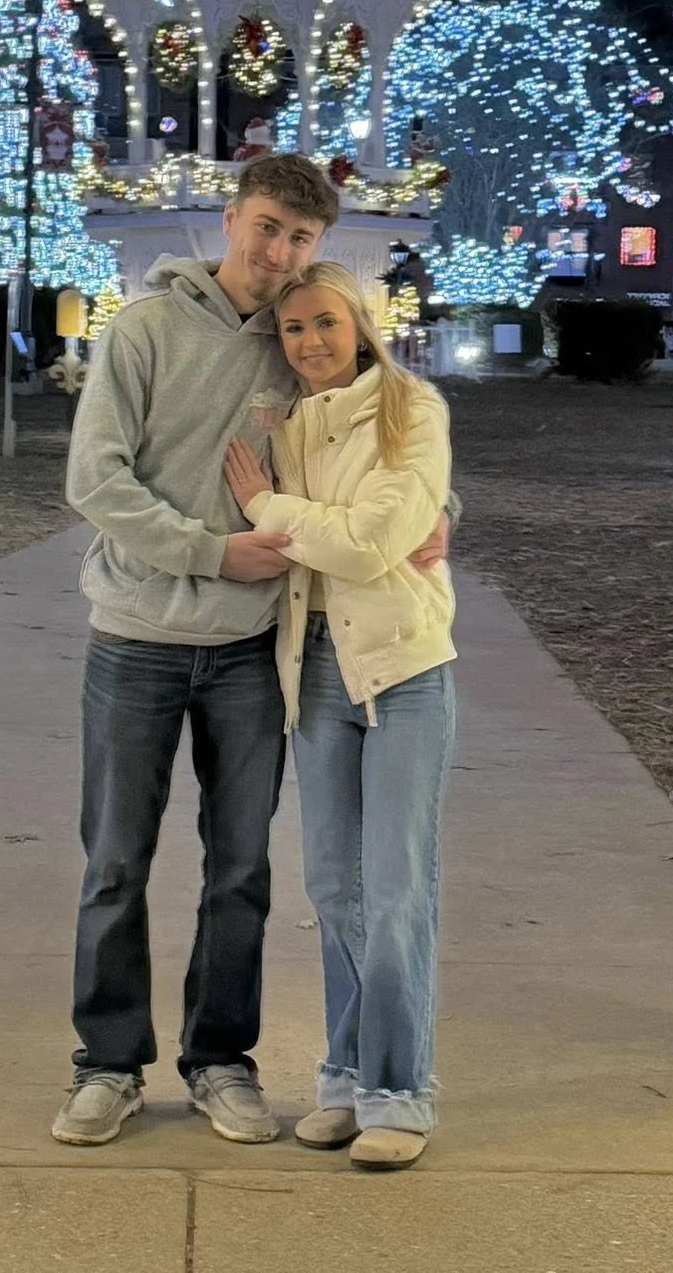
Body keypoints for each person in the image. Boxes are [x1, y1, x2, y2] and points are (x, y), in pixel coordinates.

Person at [52, 154, 338, 1148]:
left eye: (300, 237)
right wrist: (217, 550)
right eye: (266, 226)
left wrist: (440, 509)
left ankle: (222, 1059)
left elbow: (388, 434)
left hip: (251, 652)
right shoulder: (143, 328)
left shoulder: (306, 342)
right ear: (230, 218)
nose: (278, 252)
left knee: (242, 865)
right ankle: (108, 1061)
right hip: (134, 638)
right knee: (116, 860)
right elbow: (96, 480)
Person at [222, 261, 457, 1171]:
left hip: (402, 669)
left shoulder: (412, 409)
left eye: (326, 323)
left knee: (398, 888)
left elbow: (368, 544)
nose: (311, 343)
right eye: (293, 330)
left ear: (360, 325)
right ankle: (347, 1080)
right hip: (313, 667)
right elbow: (350, 534)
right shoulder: (285, 427)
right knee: (333, 887)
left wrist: (265, 507)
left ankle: (402, 1093)